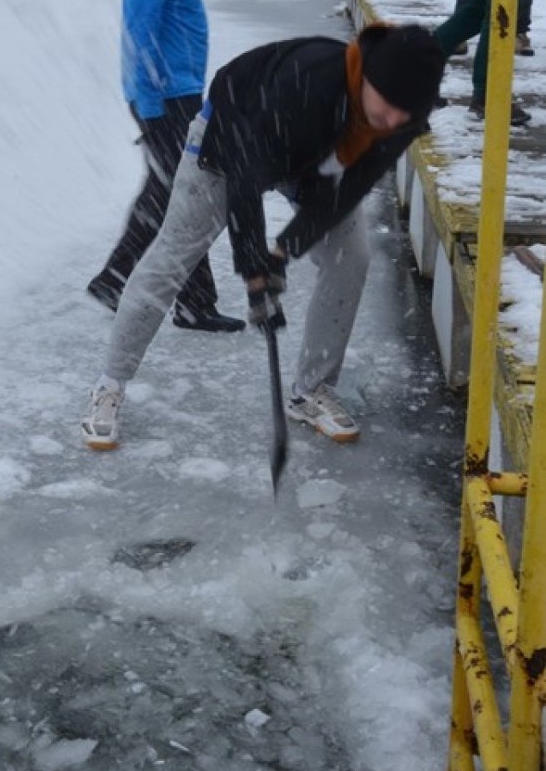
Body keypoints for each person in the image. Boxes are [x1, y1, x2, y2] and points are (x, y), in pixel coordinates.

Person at [81, 23, 445, 451]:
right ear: (366, 77)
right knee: (172, 256)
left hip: (316, 163)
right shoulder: (306, 83)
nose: (394, 121)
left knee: (352, 255)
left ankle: (311, 390)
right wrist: (255, 271)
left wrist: (281, 253)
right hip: (230, 140)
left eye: (406, 113)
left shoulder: (400, 117)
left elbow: (345, 192)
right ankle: (110, 385)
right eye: (388, 107)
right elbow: (244, 179)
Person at [86, 0, 243, 333]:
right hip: (166, 97)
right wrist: (153, 103)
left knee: (172, 194)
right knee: (185, 197)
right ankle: (160, 293)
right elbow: (139, 28)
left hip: (175, 94)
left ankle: (124, 282)